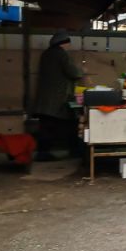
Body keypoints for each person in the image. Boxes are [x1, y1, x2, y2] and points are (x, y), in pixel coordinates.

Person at [32, 31, 84, 161]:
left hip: (44, 99)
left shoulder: (46, 54)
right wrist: (82, 71)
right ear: (64, 44)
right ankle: (73, 151)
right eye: (68, 44)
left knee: (45, 127)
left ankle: (42, 153)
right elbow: (74, 73)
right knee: (70, 124)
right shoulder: (62, 55)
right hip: (57, 99)